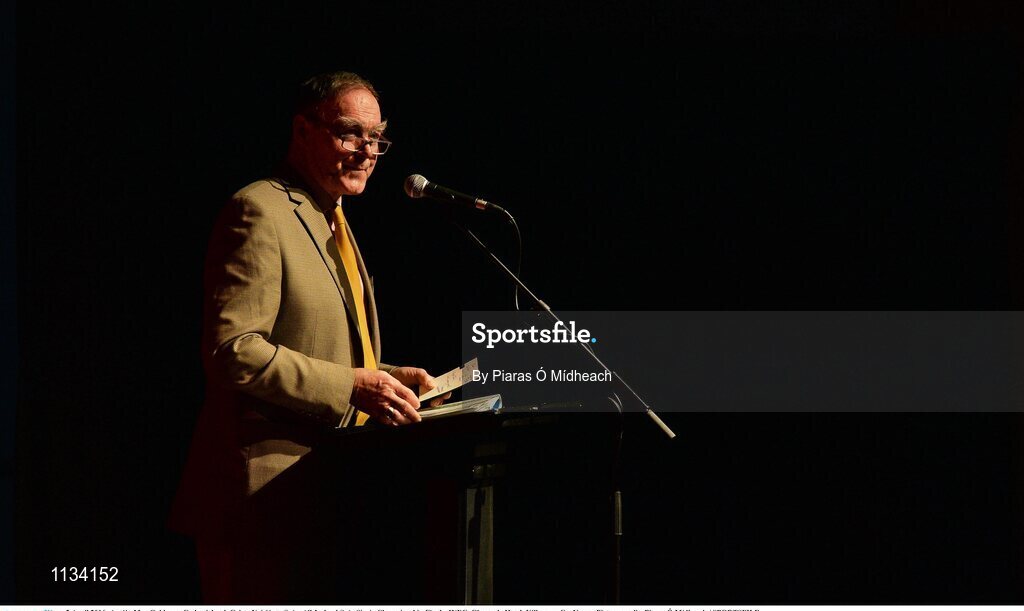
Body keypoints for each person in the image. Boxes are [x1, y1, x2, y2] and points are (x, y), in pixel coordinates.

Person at [170, 71, 448, 603]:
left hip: (324, 491)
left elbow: (318, 346)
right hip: (261, 498)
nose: (368, 152)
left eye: (378, 139)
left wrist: (387, 377)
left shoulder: (333, 218)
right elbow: (233, 351)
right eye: (351, 134)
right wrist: (352, 385)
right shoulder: (258, 211)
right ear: (302, 129)